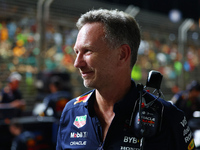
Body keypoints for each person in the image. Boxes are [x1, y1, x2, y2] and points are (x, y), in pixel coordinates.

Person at [56, 9, 195, 150]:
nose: (77, 63)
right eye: (77, 52)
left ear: (122, 54)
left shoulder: (168, 117)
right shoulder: (71, 112)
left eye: (88, 51)